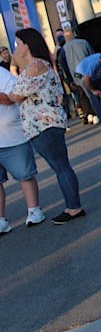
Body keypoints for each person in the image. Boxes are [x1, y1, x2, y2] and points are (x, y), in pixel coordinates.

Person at [0, 28, 86, 225]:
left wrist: (15, 66)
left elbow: (15, 96)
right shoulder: (37, 65)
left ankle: (74, 207)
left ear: (27, 45)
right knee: (61, 167)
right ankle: (72, 206)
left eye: (18, 44)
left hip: (45, 125)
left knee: (61, 167)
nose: (15, 48)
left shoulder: (35, 67)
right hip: (44, 125)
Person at [0, 65, 45, 235]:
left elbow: (15, 96)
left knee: (24, 175)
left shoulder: (2, 74)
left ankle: (34, 210)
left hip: (12, 136)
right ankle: (1, 220)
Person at [61, 29, 99, 125]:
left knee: (82, 95)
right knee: (92, 93)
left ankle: (89, 114)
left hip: (75, 76)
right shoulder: (83, 42)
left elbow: (64, 66)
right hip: (87, 72)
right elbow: (92, 56)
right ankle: (96, 113)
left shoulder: (63, 49)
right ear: (74, 34)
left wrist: (69, 80)